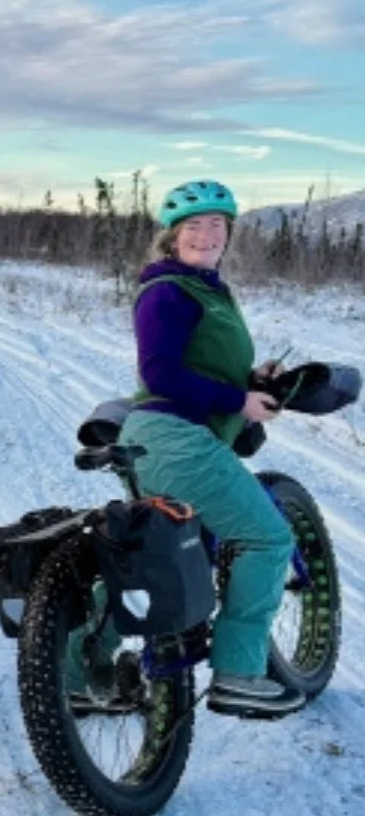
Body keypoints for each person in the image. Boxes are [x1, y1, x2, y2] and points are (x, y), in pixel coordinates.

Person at [113, 178, 304, 716]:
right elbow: (160, 371)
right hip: (176, 438)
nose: (206, 234)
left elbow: (197, 365)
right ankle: (239, 674)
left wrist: (249, 377)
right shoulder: (166, 289)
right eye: (193, 226)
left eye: (217, 225)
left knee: (154, 554)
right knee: (268, 538)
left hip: (171, 440)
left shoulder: (206, 289)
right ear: (171, 237)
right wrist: (236, 401)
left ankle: (83, 669)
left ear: (229, 233)